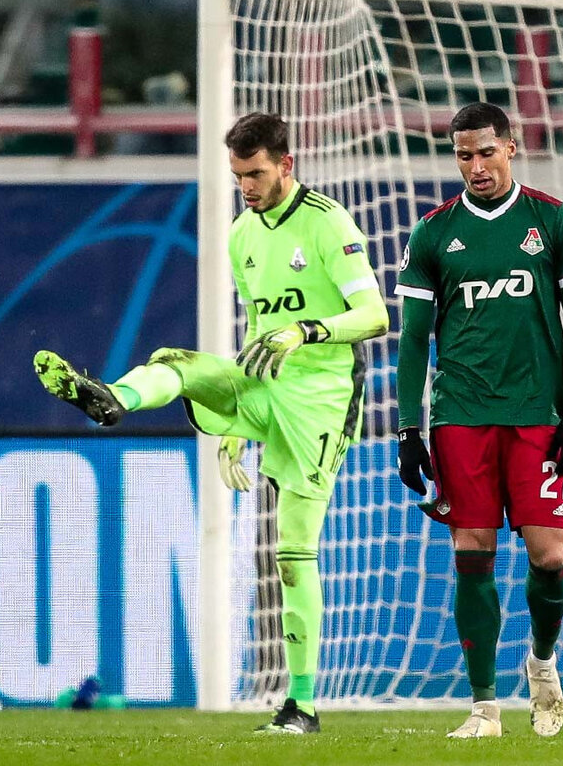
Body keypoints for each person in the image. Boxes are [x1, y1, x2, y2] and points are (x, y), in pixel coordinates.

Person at [33, 111, 389, 734]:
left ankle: (301, 705)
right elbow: (256, 331)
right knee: (175, 362)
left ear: (286, 164)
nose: (246, 187)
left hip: (322, 399)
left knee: (293, 554)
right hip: (262, 385)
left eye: (256, 174)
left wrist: (307, 330)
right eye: (237, 176)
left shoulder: (328, 221)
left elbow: (375, 315)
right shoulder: (241, 234)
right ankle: (112, 398)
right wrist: (233, 424)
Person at [395, 101, 563, 739]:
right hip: (461, 414)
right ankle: (484, 708)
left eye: (486, 152)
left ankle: (542, 660)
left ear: (511, 147)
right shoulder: (434, 232)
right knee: (471, 550)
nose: (476, 166)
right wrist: (408, 430)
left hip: (538, 413)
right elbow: (412, 339)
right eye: (464, 155)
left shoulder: (551, 219)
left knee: (549, 555)